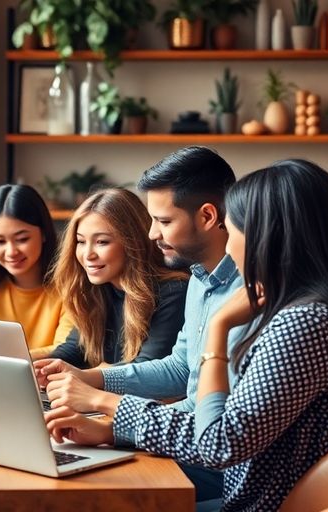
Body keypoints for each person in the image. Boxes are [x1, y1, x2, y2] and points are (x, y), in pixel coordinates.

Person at [45, 160, 328, 511]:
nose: (229, 244)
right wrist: (111, 429)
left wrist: (217, 331)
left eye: (233, 229)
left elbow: (220, 442)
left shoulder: (305, 323)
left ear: (269, 237)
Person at [35, 147, 242, 502]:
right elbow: (181, 369)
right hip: (187, 443)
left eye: (163, 221)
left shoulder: (247, 296)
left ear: (208, 216)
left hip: (223, 468)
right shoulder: (199, 281)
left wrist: (107, 413)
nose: (150, 235)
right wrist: (94, 385)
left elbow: (216, 430)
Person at [45, 188, 187, 370]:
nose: (87, 254)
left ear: (133, 242)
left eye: (102, 242)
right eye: (81, 241)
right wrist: (46, 367)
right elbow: (76, 348)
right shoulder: (96, 288)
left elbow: (147, 368)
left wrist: (89, 375)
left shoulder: (173, 291)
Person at [0, 184, 74, 359]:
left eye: (22, 239)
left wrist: (0, 357)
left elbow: (66, 351)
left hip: (51, 381)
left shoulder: (70, 284)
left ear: (43, 233)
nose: (11, 251)